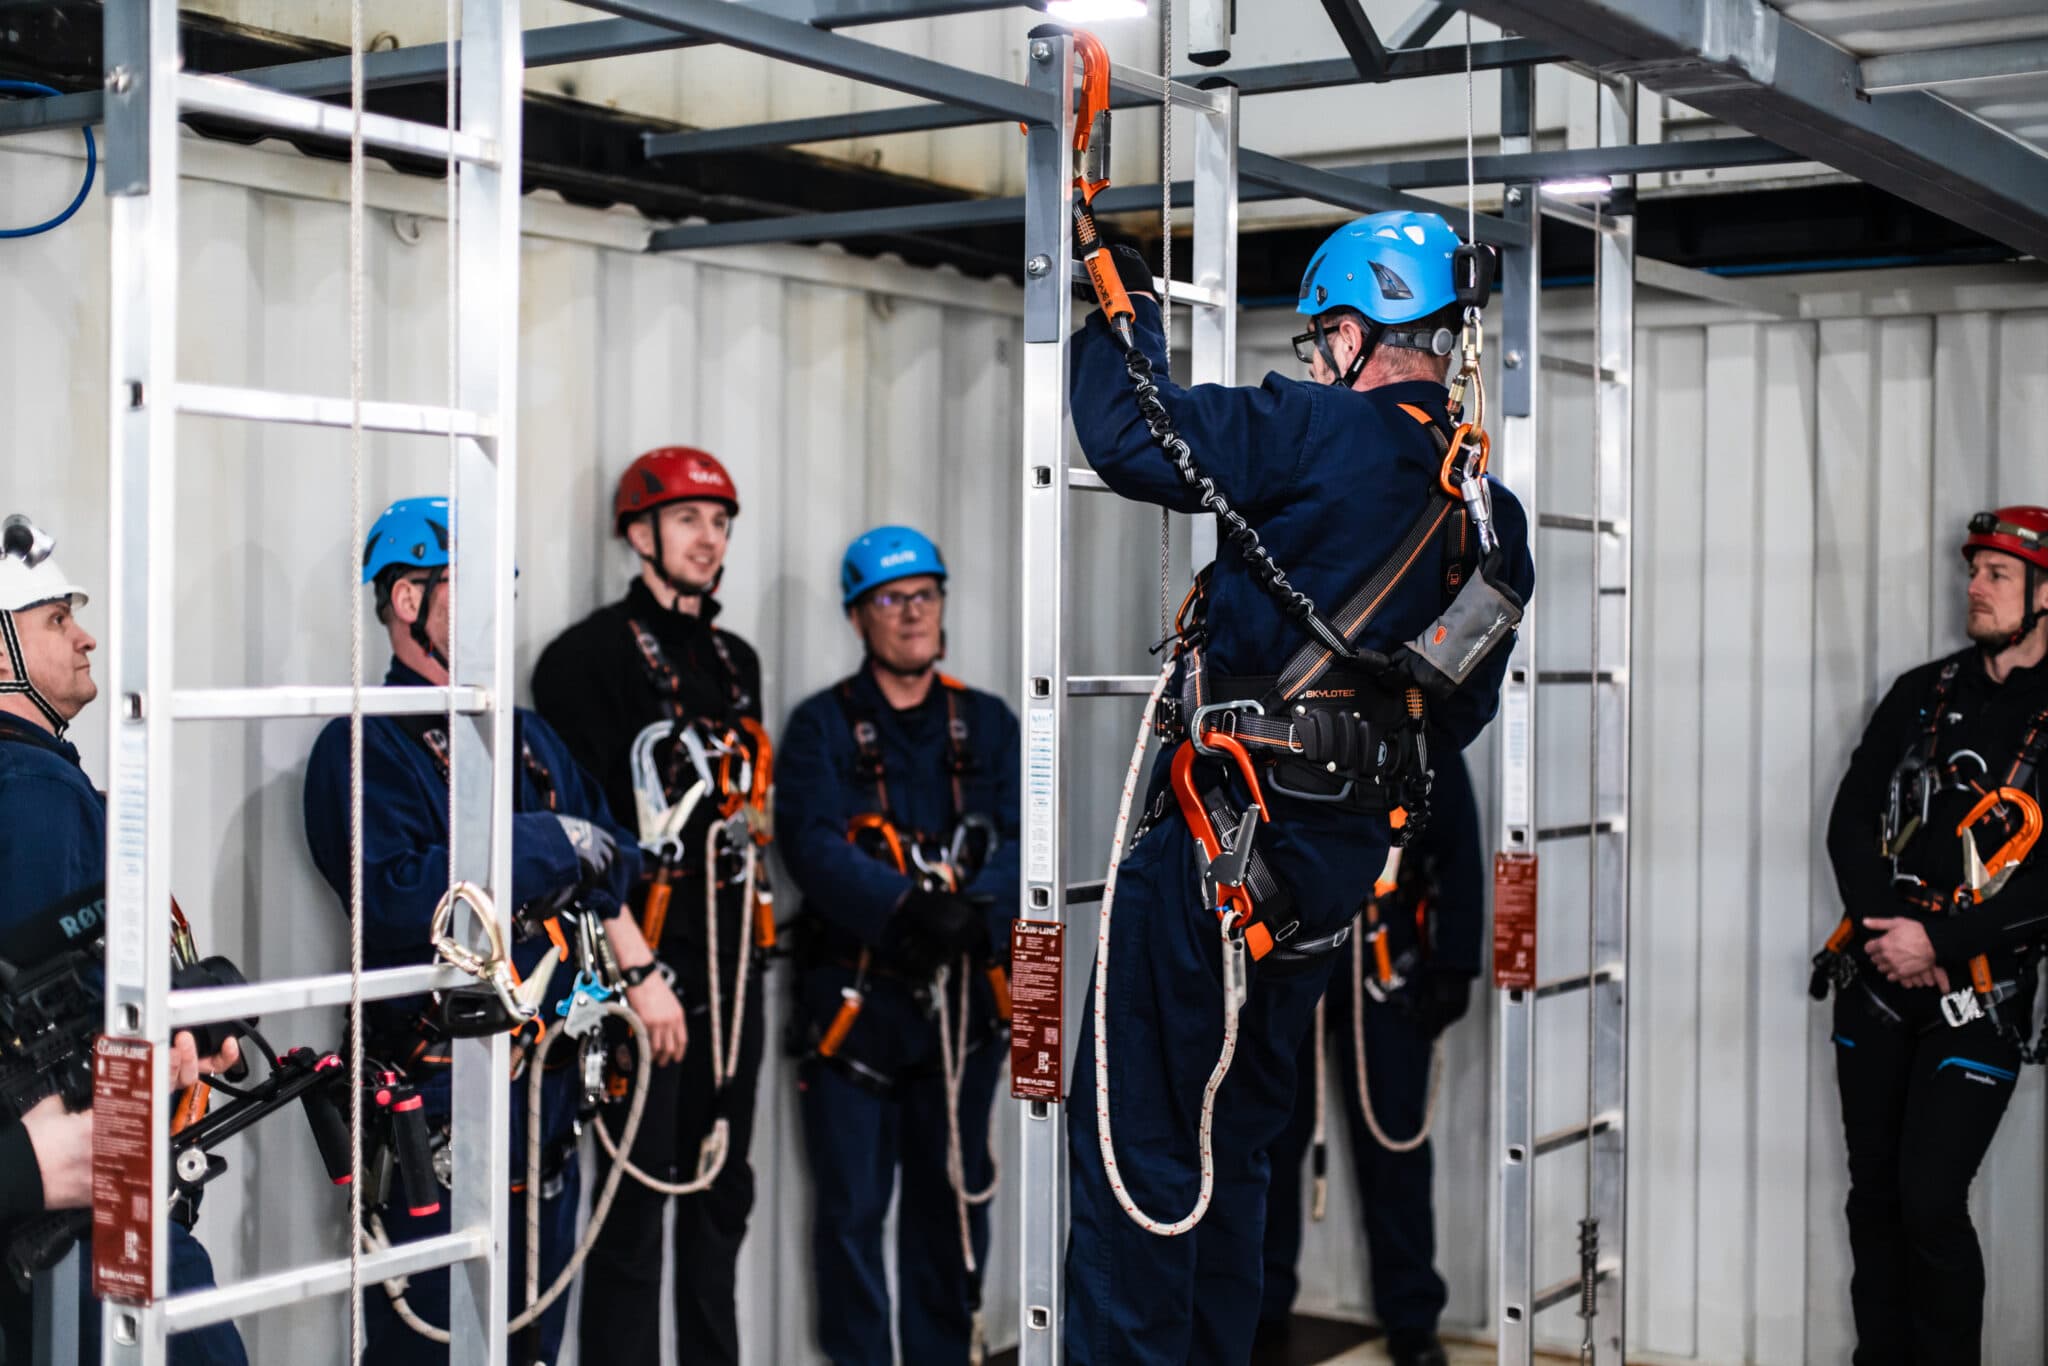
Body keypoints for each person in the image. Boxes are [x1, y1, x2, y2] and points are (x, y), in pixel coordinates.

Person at [1062, 213, 1534, 1365]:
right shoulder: (1489, 517)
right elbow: (1452, 716)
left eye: (1325, 336)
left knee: (1137, 1147)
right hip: (1323, 884)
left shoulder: (1314, 429)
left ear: (1353, 329)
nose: (1317, 356)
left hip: (1217, 849)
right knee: (1235, 1146)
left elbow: (1126, 432)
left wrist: (1110, 306)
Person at [301, 497, 667, 1365]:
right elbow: (397, 902)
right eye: (471, 588)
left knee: (535, 1328)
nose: (496, 613)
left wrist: (640, 967)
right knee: (431, 1334)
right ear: (405, 599)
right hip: (434, 1099)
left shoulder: (529, 736)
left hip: (547, 1083)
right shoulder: (361, 744)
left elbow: (613, 857)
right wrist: (545, 844)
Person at [531, 447, 766, 1366]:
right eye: (687, 520)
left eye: (719, 522)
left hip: (733, 963)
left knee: (721, 1200)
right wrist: (631, 966)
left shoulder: (733, 659)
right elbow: (578, 827)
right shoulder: (582, 663)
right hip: (639, 962)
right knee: (632, 1210)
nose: (709, 539)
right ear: (640, 535)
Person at [0, 513, 248, 1365]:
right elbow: (47, 1018)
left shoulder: (44, 780)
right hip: (89, 1195)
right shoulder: (31, 790)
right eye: (57, 621)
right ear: (2, 656)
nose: (87, 637)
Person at [777, 527, 1020, 1365]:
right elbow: (808, 843)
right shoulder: (821, 729)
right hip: (856, 1008)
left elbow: (1031, 835)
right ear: (858, 617)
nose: (911, 615)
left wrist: (976, 910)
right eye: (890, 599)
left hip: (963, 1013)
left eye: (924, 595)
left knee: (952, 1204)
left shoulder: (987, 724)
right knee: (850, 1212)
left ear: (943, 605)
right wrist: (907, 911)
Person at [1819, 505, 2048, 1366]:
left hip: (1980, 999)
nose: (1976, 587)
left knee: (1929, 1200)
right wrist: (1893, 933)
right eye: (1973, 571)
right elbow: (1849, 821)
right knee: (1872, 1198)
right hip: (1877, 984)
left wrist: (1941, 946)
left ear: (2044, 594)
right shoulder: (1923, 692)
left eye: (1997, 574)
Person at [1258, 742, 1481, 1366]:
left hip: (1385, 954)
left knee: (1394, 1137)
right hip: (1289, 948)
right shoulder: (1290, 711)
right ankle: (1261, 1303)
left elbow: (1457, 845)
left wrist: (1455, 963)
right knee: (1270, 1134)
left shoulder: (1416, 731)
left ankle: (1412, 1316)